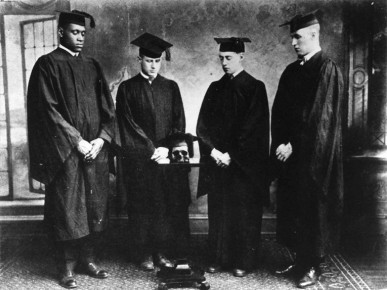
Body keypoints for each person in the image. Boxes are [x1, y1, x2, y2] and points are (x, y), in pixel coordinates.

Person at [27, 10, 115, 289]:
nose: (80, 38)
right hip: (65, 152)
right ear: (61, 32)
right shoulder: (47, 65)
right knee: (67, 208)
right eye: (75, 32)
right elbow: (47, 112)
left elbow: (107, 109)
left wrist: (101, 139)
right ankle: (66, 266)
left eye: (83, 33)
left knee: (94, 205)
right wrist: (77, 141)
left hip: (95, 152)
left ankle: (88, 259)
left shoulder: (92, 65)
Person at [270, 10, 344, 288]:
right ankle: (299, 260)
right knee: (294, 207)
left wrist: (293, 145)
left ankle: (312, 265)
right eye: (292, 38)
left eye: (298, 37)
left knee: (312, 207)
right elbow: (280, 112)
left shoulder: (327, 68)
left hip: (315, 155)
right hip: (290, 155)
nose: (293, 43)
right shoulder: (292, 70)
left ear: (314, 34)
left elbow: (320, 119)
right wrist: (280, 142)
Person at [115, 33, 190, 271]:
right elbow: (126, 124)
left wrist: (166, 149)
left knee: (163, 207)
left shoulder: (171, 87)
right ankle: (143, 252)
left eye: (157, 61)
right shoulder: (127, 88)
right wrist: (150, 149)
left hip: (165, 159)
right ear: (140, 59)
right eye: (149, 61)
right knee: (140, 205)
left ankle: (160, 252)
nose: (153, 65)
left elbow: (179, 122)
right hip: (139, 159)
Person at [196, 37, 269, 277]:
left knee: (243, 212)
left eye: (229, 58)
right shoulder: (215, 88)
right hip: (218, 162)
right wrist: (214, 151)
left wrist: (232, 156)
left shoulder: (255, 87)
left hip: (242, 166)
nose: (224, 63)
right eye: (221, 58)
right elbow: (202, 126)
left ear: (241, 57)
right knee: (220, 212)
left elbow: (254, 130)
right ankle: (219, 258)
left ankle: (243, 261)